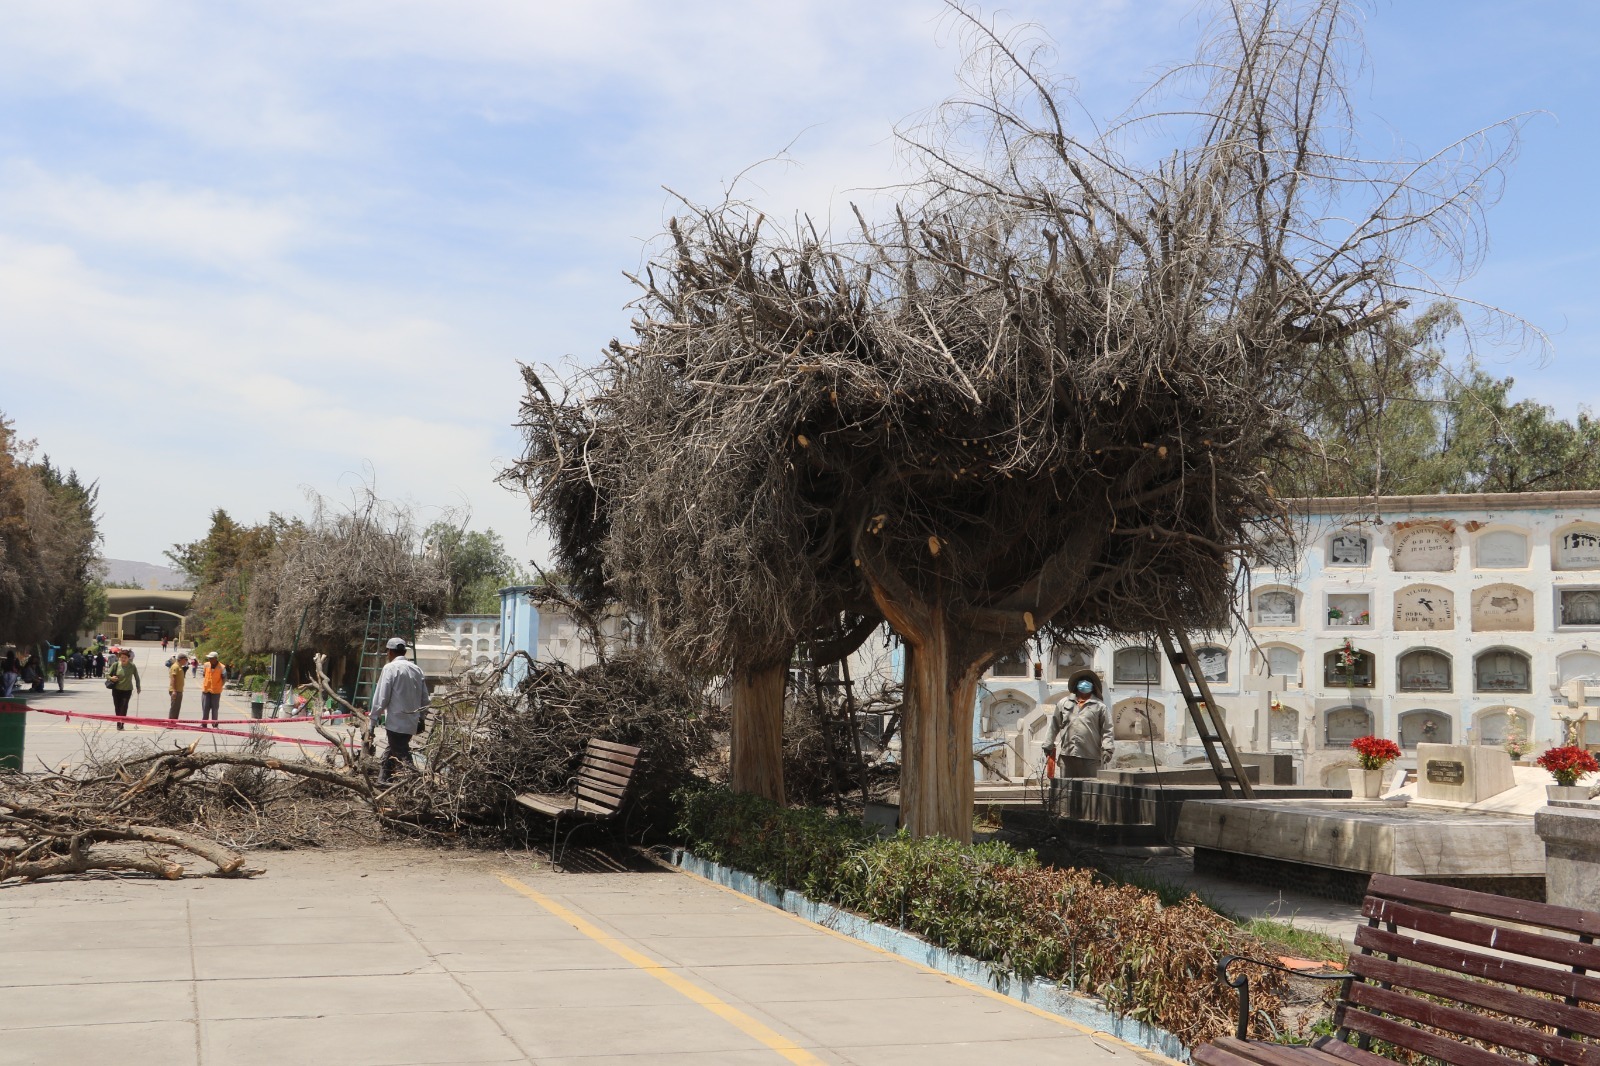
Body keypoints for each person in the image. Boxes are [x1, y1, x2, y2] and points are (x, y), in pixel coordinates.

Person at [370, 637, 429, 784]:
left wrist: (372, 721)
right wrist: (421, 717)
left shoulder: (390, 668)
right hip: (411, 723)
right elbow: (425, 698)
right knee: (394, 748)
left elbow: (381, 698)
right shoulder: (416, 669)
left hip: (396, 722)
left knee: (402, 754)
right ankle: (384, 779)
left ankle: (416, 782)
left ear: (390, 652)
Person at [1043, 671, 1114, 779]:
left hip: (1090, 756)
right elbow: (1054, 724)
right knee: (1066, 790)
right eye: (1082, 681)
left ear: (1093, 685)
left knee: (1089, 790)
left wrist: (1108, 749)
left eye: (1088, 681)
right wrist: (1048, 744)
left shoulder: (1100, 706)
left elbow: (1107, 729)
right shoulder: (1064, 703)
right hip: (1067, 756)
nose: (1084, 684)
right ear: (1076, 684)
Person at [107, 649, 141, 730]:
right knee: (117, 707)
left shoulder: (132, 666)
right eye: (121, 657)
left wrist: (138, 686)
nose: (123, 659)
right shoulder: (115, 665)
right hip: (116, 689)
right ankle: (118, 722)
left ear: (128, 658)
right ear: (119, 658)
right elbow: (107, 674)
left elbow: (137, 677)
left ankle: (121, 723)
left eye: (125, 657)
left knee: (124, 706)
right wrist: (111, 677)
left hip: (127, 690)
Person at [199, 652, 225, 727]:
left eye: (211, 658)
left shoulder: (222, 667)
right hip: (206, 689)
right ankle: (204, 724)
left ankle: (214, 724)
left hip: (216, 691)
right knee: (205, 707)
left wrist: (220, 685)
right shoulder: (206, 665)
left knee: (215, 708)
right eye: (209, 658)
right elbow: (204, 674)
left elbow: (224, 678)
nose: (209, 659)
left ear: (216, 658)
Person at [168, 653, 189, 720]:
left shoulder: (180, 666)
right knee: (174, 708)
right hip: (175, 690)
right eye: (185, 659)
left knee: (177, 707)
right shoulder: (176, 666)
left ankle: (174, 721)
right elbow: (173, 678)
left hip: (179, 690)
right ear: (182, 659)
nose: (186, 661)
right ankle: (171, 722)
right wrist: (174, 690)